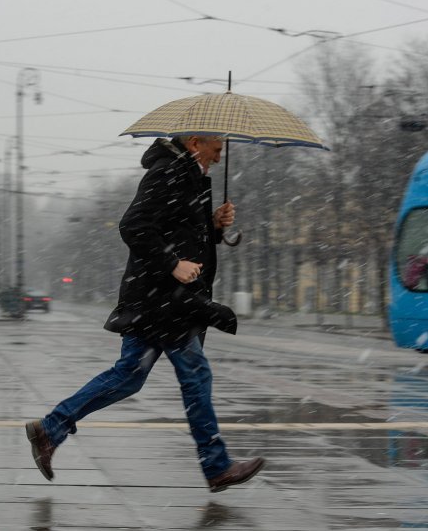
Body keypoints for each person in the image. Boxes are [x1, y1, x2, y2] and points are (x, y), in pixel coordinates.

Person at [25, 135, 265, 493]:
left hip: (159, 299)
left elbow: (179, 231)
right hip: (165, 301)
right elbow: (133, 225)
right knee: (195, 375)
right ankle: (216, 467)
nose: (219, 158)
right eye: (216, 150)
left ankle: (51, 428)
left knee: (129, 376)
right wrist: (172, 264)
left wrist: (214, 226)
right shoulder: (169, 171)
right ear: (196, 143)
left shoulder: (187, 173)